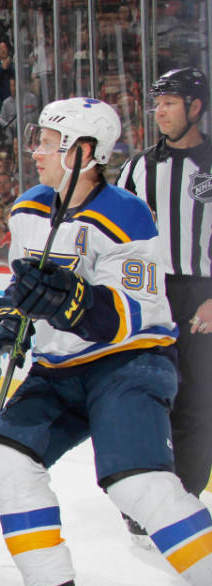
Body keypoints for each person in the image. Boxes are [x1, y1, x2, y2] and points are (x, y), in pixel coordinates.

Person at [0, 98, 212, 586]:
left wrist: (69, 299)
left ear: (83, 152)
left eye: (49, 141)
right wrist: (6, 322)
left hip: (128, 364)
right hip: (58, 371)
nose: (37, 151)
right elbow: (23, 286)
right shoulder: (29, 208)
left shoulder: (127, 213)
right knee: (5, 460)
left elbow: (127, 315)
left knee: (140, 484)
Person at [117, 70, 212, 538]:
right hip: (150, 292)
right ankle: (148, 499)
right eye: (157, 104)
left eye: (170, 103)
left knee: (195, 402)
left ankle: (184, 497)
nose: (160, 112)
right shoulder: (138, 167)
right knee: (148, 396)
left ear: (196, 107)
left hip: (202, 293)